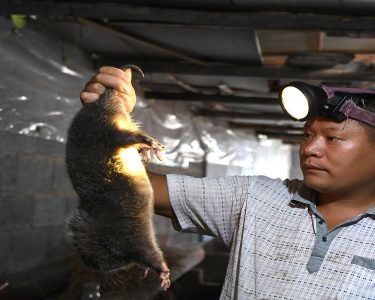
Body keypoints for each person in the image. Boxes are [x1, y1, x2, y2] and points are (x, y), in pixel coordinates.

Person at [80, 66, 375, 299]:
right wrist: (109, 125)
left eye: (333, 138)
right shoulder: (256, 199)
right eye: (307, 135)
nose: (310, 148)